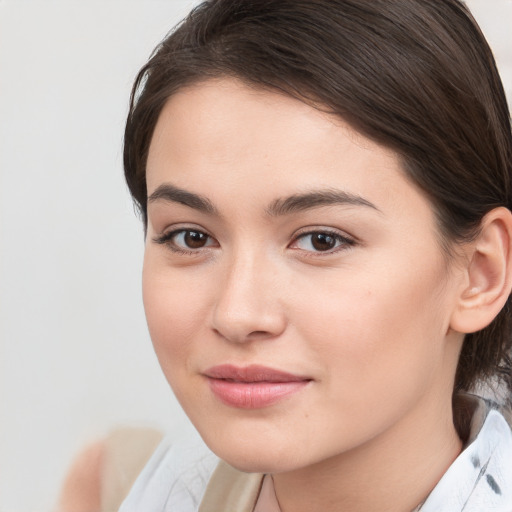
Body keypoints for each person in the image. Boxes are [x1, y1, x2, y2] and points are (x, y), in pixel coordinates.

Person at [119, 0, 512, 510]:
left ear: (480, 274)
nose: (238, 315)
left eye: (321, 240)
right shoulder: (175, 485)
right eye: (192, 237)